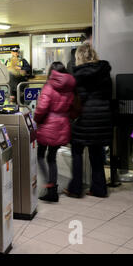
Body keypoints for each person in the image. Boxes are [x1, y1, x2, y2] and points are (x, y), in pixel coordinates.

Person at [65, 43, 112, 198]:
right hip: (101, 118)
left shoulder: (76, 76)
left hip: (82, 119)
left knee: (77, 153)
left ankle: (76, 189)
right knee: (97, 154)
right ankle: (99, 189)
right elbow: (108, 96)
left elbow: (73, 100)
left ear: (79, 57)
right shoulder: (105, 73)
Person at [34, 62, 76, 202]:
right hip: (62, 125)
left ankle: (49, 185)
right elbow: (73, 108)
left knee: (40, 155)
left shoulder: (49, 86)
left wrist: (36, 120)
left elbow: (41, 109)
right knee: (52, 157)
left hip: (47, 125)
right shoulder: (70, 88)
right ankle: (53, 189)